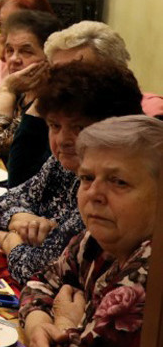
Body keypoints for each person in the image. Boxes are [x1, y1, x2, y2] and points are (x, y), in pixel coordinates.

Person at [0, 61, 143, 284]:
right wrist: (21, 218)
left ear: (113, 128)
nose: (62, 140)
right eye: (55, 126)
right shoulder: (65, 163)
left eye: (79, 128)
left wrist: (10, 241)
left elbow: (38, 270)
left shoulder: (106, 190)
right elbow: (5, 202)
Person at [19, 115, 163, 347]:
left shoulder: (152, 266)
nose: (94, 193)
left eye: (119, 182)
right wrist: (38, 324)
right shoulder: (98, 238)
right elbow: (40, 282)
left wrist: (65, 324)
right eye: (87, 178)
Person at [5, 21, 163, 186]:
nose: (65, 82)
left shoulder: (126, 141)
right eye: (56, 72)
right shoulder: (63, 128)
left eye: (77, 71)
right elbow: (19, 184)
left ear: (109, 73)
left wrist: (6, 91)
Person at [0, 10, 63, 160]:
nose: (14, 59)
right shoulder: (23, 89)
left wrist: (7, 89)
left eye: (26, 52)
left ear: (49, 57)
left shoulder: (47, 101)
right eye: (9, 50)